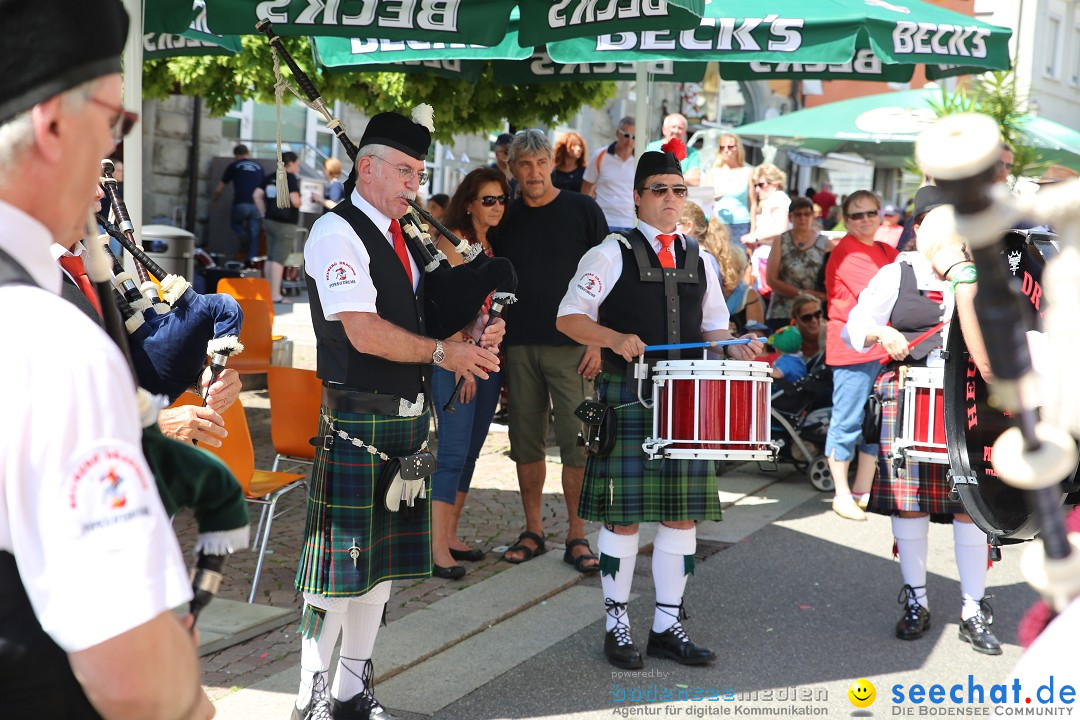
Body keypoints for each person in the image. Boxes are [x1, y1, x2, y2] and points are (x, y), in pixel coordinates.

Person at [0, 1, 213, 717]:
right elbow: (140, 685)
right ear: (54, 124)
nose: (114, 153)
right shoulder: (48, 342)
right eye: (114, 121)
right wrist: (187, 687)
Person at [296, 106, 504, 720]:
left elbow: (418, 318)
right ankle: (309, 697)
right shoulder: (336, 233)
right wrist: (446, 353)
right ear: (368, 167)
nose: (416, 186)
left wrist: (473, 329)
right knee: (337, 571)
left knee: (379, 567)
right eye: (407, 172)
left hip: (406, 420)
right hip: (359, 420)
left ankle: (352, 690)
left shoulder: (406, 239)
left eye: (420, 173)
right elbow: (362, 331)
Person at [556, 145, 763, 669]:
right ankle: (617, 626)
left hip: (686, 402)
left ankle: (667, 627)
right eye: (659, 190)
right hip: (627, 396)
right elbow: (568, 317)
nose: (670, 199)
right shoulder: (610, 251)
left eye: (678, 190)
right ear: (637, 196)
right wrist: (612, 337)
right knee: (623, 520)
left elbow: (713, 326)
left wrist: (734, 344)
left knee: (681, 519)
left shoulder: (702, 258)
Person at [842, 204, 1000, 655]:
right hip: (908, 391)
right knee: (909, 505)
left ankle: (973, 609)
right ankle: (916, 600)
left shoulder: (976, 272)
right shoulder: (899, 272)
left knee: (971, 505)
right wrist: (881, 334)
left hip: (967, 400)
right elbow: (856, 324)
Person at [489, 129, 608, 573]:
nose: (534, 173)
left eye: (540, 163)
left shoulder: (583, 210)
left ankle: (577, 536)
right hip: (518, 346)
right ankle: (533, 529)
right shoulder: (507, 218)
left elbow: (606, 279)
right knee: (525, 442)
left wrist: (598, 338)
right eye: (525, 165)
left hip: (573, 348)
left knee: (578, 446)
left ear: (551, 165)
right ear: (514, 169)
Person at [429, 167, 511, 580]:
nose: (497, 207)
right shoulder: (453, 242)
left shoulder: (488, 245)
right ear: (469, 203)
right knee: (452, 452)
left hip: (483, 359)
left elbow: (486, 307)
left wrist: (496, 328)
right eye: (488, 200)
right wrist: (464, 362)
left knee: (471, 451)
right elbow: (443, 308)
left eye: (501, 200)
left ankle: (451, 535)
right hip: (455, 359)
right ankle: (435, 547)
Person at [823, 190, 898, 521]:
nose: (865, 219)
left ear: (880, 214)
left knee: (875, 421)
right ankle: (841, 492)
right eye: (857, 215)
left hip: (882, 347)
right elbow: (884, 296)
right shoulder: (847, 252)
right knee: (848, 419)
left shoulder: (885, 249)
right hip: (853, 348)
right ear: (846, 219)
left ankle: (862, 490)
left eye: (871, 212)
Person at [765, 196, 830, 331]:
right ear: (790, 217)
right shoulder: (780, 241)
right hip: (783, 310)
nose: (802, 218)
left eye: (807, 214)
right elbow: (771, 279)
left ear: (813, 216)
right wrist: (801, 293)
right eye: (798, 214)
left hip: (814, 312)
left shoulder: (825, 243)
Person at [253, 151, 301, 305]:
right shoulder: (290, 177)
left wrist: (262, 214)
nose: (297, 167)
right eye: (297, 163)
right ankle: (275, 295)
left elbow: (256, 195)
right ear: (291, 163)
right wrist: (301, 201)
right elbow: (295, 201)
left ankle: (268, 292)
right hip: (285, 223)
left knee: (271, 256)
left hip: (269, 220)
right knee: (279, 259)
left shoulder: (270, 177)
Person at [703, 219, 765, 335]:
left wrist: (736, 334)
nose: (731, 274)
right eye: (727, 270)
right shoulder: (712, 290)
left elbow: (757, 333)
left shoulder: (749, 294)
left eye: (737, 270)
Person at [581, 117, 637, 232]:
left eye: (634, 137)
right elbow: (586, 188)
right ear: (617, 134)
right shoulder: (600, 156)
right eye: (626, 136)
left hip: (632, 223)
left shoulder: (640, 159)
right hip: (604, 222)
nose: (630, 141)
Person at [213, 143, 265, 263]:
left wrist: (215, 201)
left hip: (241, 204)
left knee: (235, 223)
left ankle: (242, 235)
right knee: (255, 234)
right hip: (257, 205)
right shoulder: (259, 166)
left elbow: (218, 189)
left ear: (236, 155)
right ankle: (251, 261)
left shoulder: (234, 165)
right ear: (247, 153)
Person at [705, 132, 756, 250]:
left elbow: (753, 204)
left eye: (730, 146)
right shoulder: (713, 172)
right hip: (718, 224)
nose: (726, 150)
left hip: (741, 224)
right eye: (722, 147)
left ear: (738, 148)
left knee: (739, 263)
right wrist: (712, 198)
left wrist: (753, 232)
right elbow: (704, 201)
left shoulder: (748, 172)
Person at [646, 113, 701, 185]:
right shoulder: (652, 148)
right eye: (673, 127)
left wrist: (661, 177)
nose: (676, 131)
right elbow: (648, 177)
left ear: (684, 132)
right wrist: (683, 177)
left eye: (680, 128)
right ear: (664, 130)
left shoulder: (692, 153)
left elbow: (695, 181)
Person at [790, 294, 825, 359]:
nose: (814, 321)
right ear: (796, 319)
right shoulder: (790, 338)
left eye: (817, 314)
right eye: (807, 317)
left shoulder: (831, 333)